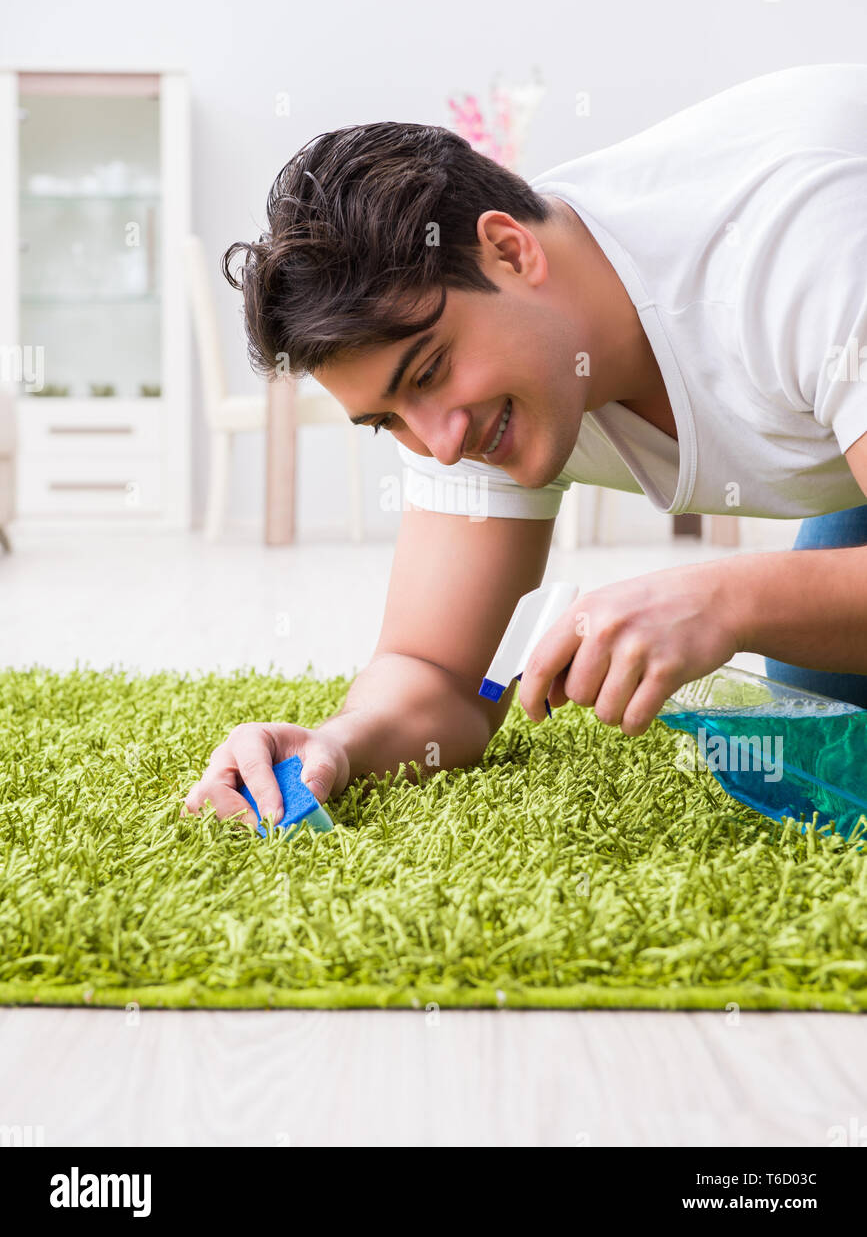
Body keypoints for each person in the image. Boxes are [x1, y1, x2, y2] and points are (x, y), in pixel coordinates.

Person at [183, 63, 867, 831]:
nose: (439, 446)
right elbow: (440, 674)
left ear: (510, 252)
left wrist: (727, 600)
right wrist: (340, 743)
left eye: (431, 372)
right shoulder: (473, 377)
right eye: (388, 419)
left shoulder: (802, 256)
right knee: (830, 701)